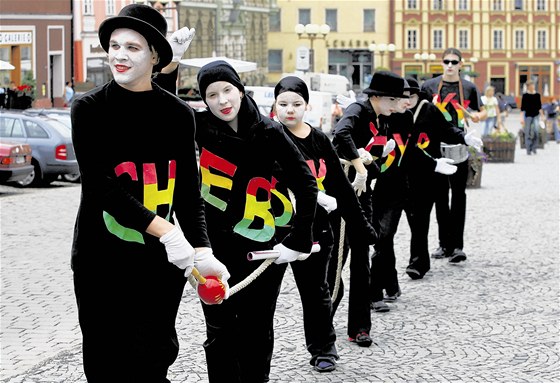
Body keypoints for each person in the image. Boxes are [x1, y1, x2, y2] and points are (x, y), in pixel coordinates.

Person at [69, 5, 230, 382]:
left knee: (155, 358)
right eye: (114, 45)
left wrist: (203, 248)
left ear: (155, 55)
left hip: (158, 265)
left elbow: (189, 191)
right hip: (101, 260)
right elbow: (101, 186)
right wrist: (169, 232)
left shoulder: (177, 114)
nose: (119, 55)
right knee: (106, 361)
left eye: (133, 47)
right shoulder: (89, 109)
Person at [157, 51, 319, 380]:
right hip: (212, 250)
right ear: (204, 100)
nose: (222, 100)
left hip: (262, 250)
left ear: (240, 90)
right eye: (212, 95)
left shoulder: (270, 132)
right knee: (218, 331)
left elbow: (306, 184)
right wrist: (169, 67)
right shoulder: (198, 127)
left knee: (257, 330)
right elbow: (164, 110)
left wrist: (299, 238)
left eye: (227, 90)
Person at [272, 76, 376, 368]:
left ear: (307, 106)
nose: (289, 110)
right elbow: (276, 174)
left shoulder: (319, 139)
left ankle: (323, 350)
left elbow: (341, 186)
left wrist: (360, 224)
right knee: (265, 297)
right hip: (275, 228)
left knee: (317, 292)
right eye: (283, 104)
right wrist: (314, 194)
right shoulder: (269, 136)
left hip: (316, 228)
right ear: (274, 107)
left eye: (296, 104)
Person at [331, 71, 409, 318]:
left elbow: (371, 155)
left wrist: (377, 159)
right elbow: (341, 134)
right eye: (394, 100)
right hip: (343, 188)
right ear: (377, 96)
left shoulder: (382, 117)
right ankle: (325, 322)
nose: (398, 106)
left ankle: (360, 325)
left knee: (363, 254)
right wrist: (359, 164)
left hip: (363, 190)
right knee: (338, 258)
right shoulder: (358, 109)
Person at [400, 77, 482, 280]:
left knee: (433, 213)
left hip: (434, 172)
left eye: (411, 96)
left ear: (418, 95)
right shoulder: (397, 114)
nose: (408, 101)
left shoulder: (429, 110)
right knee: (417, 221)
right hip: (410, 175)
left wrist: (464, 137)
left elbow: (447, 130)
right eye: (404, 97)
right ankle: (418, 261)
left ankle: (447, 246)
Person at [421, 47, 486, 263]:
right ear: (442, 63)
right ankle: (443, 244)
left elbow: (482, 110)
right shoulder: (429, 86)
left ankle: (458, 245)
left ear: (460, 64)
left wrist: (478, 117)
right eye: (446, 61)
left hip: (460, 146)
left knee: (459, 198)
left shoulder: (469, 88)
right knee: (440, 198)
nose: (450, 65)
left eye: (454, 62)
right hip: (435, 147)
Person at [520, 80, 543, 155]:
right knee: (527, 132)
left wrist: (542, 116)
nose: (532, 86)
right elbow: (522, 108)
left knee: (536, 131)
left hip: (536, 115)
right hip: (528, 116)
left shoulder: (537, 95)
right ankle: (528, 148)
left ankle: (534, 147)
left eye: (533, 85)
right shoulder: (525, 95)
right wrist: (521, 118)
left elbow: (539, 106)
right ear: (528, 86)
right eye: (531, 85)